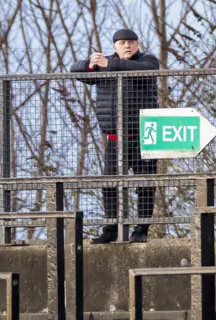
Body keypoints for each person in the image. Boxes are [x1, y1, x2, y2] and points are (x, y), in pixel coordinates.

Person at [70, 29, 160, 244]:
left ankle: (141, 230)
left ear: (137, 44)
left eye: (131, 42)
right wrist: (92, 63)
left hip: (143, 137)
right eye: (122, 43)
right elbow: (76, 70)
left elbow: (145, 69)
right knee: (110, 185)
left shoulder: (147, 60)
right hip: (114, 139)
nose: (127, 46)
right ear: (114, 47)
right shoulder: (105, 64)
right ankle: (111, 228)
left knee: (145, 185)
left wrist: (111, 65)